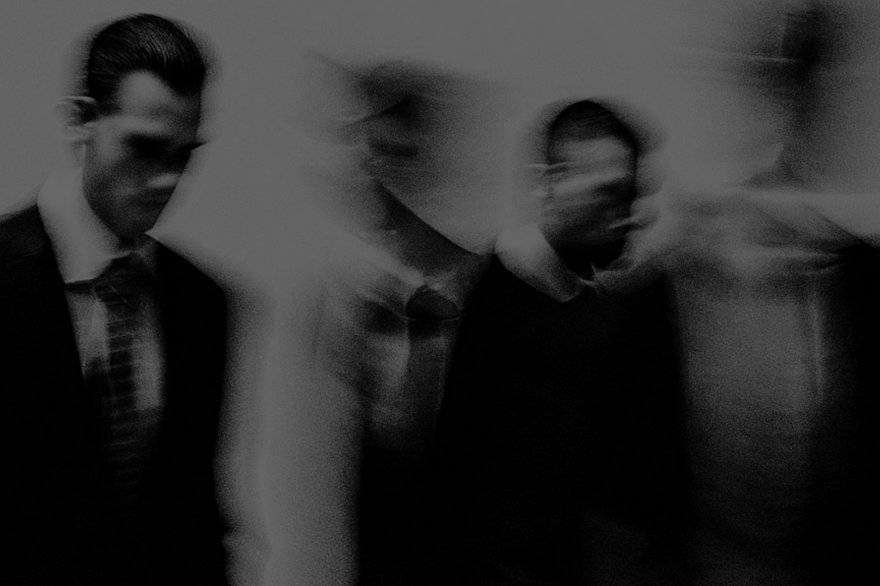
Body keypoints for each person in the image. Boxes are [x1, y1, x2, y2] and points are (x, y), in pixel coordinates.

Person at [0, 14, 231, 585]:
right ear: (80, 120)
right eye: (145, 148)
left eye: (185, 154)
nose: (167, 179)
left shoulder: (202, 303)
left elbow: (194, 521)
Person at [431, 99, 688, 585]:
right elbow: (454, 479)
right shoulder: (482, 305)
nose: (629, 216)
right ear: (551, 182)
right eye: (609, 192)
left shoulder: (614, 305)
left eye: (634, 193)